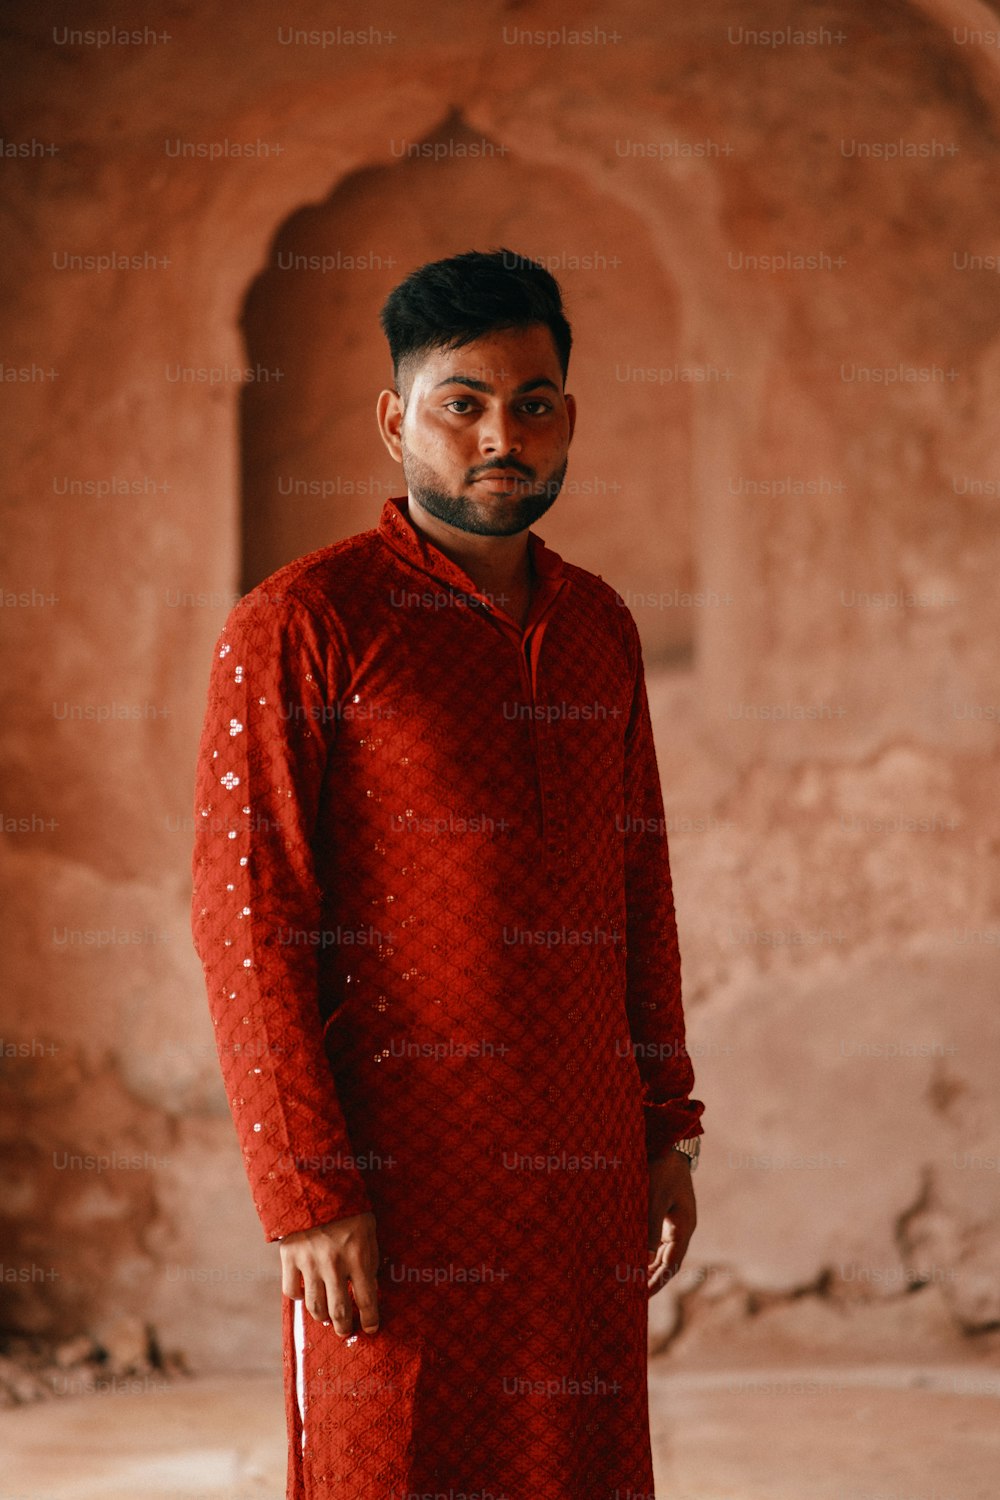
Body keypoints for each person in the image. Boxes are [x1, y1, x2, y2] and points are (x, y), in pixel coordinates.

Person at [191, 247, 705, 1500]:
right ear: (395, 420)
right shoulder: (306, 624)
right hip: (392, 1191)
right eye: (461, 402)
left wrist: (664, 1131)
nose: (499, 436)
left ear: (567, 418)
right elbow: (247, 919)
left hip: (584, 1177)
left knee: (576, 1467)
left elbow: (639, 890)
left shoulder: (597, 628)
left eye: (531, 403)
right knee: (392, 1468)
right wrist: (306, 1192)